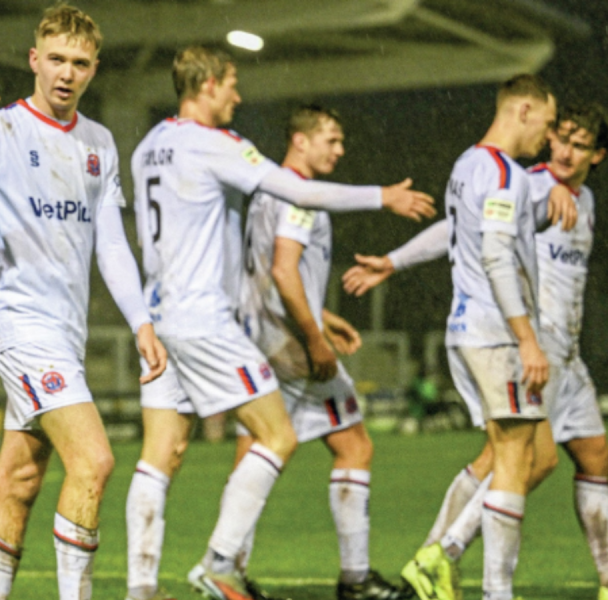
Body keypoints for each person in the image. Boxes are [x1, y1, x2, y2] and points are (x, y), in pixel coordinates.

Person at [125, 46, 435, 600]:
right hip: (206, 319)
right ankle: (218, 565)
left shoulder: (149, 146)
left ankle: (141, 589)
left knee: (160, 454)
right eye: (232, 85)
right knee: (276, 435)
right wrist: (381, 196)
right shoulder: (216, 144)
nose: (238, 97)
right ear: (209, 84)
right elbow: (298, 192)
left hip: (160, 318)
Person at [0, 6, 166, 600]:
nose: (66, 73)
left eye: (79, 63)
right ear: (34, 60)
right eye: (55, 60)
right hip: (17, 322)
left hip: (63, 333)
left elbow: (112, 244)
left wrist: (142, 322)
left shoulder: (98, 143)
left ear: (94, 69)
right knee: (94, 461)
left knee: (19, 479)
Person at [343, 101, 606, 600]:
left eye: (581, 144)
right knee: (521, 457)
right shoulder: (526, 182)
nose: (567, 151)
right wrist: (395, 262)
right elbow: (462, 229)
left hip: (567, 356)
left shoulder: (584, 201)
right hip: (532, 347)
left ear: (598, 155)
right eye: (562, 138)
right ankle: (440, 557)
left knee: (594, 457)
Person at [204, 104, 410, 600]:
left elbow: (266, 272)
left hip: (259, 339)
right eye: (331, 140)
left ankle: (228, 574)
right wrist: (315, 339)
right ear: (301, 141)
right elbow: (283, 269)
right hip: (292, 350)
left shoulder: (268, 189)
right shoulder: (301, 197)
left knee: (253, 453)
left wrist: (323, 317)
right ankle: (352, 579)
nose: (339, 150)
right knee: (353, 446)